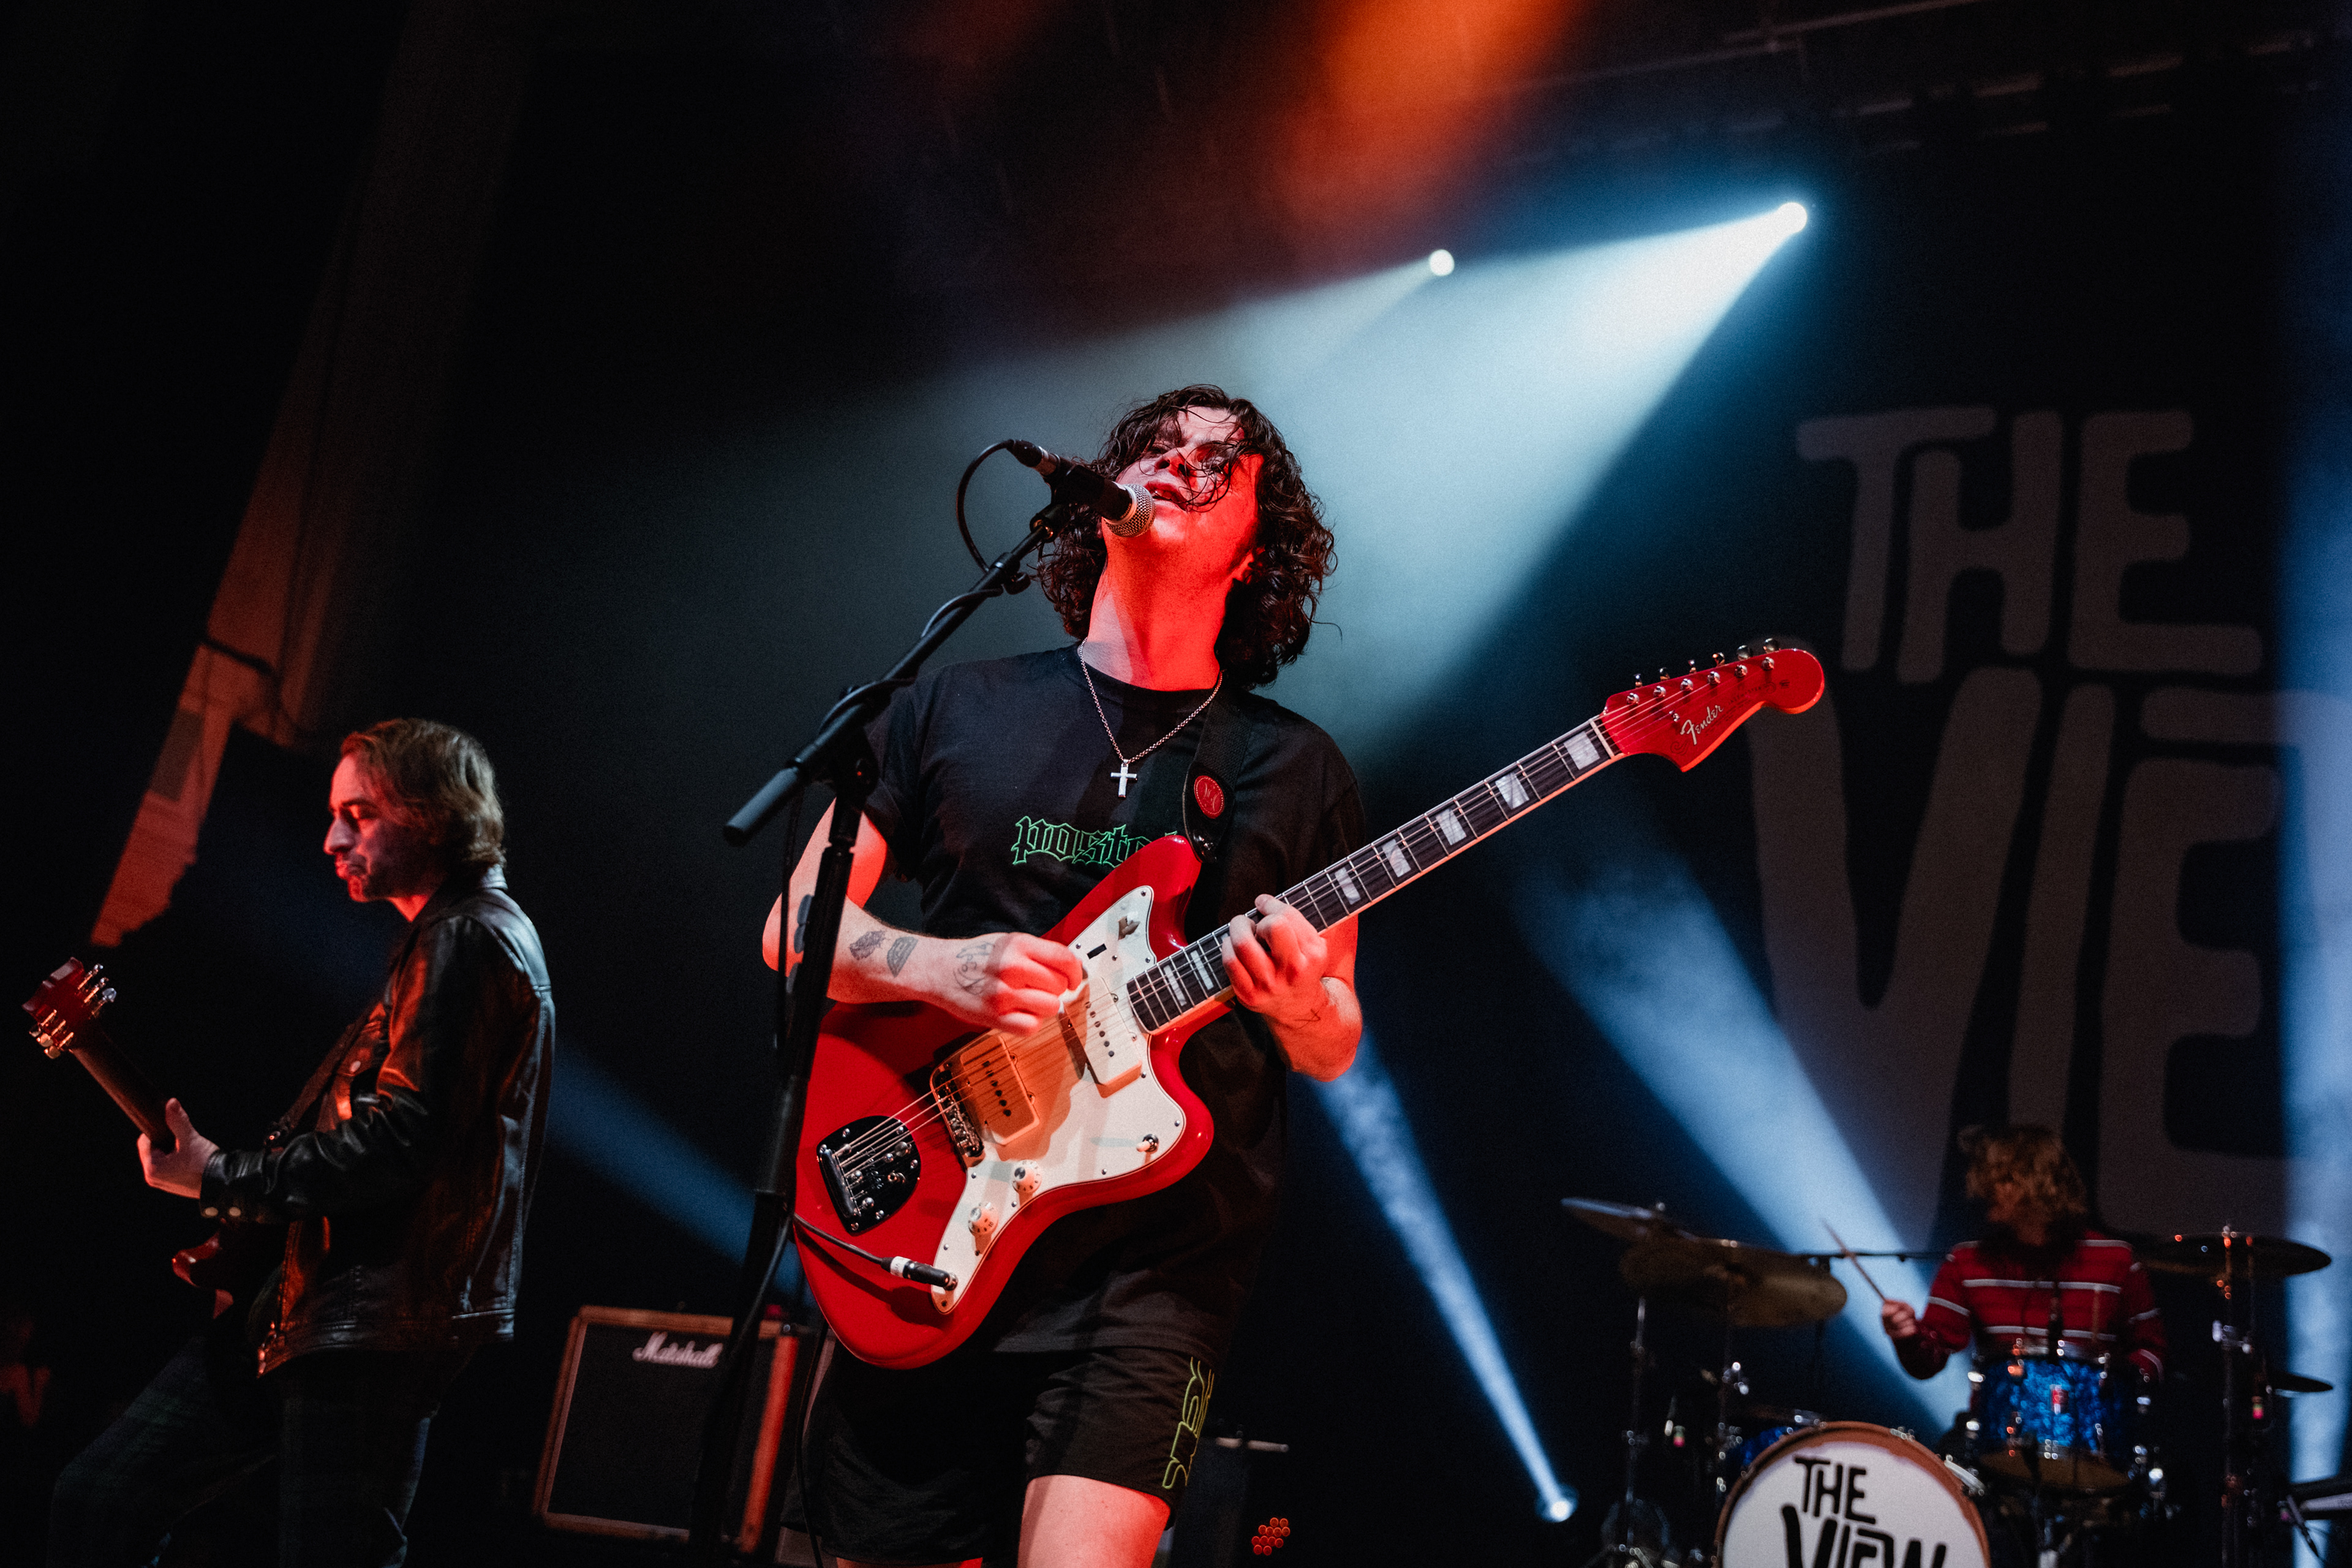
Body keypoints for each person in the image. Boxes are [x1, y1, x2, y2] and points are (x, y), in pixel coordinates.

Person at [763, 386, 1363, 1568]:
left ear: (1257, 553)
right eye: (1158, 447)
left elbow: (1335, 1037)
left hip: (1153, 1273)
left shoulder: (1294, 769)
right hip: (929, 1221)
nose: (1182, 464)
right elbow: (792, 929)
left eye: (1222, 462)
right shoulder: (950, 704)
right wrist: (945, 966)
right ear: (1099, 503)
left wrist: (1301, 1006)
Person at [49, 718, 555, 1568]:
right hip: (317, 1305)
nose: (331, 838)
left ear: (432, 813)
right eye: (334, 814)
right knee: (100, 1498)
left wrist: (222, 1177)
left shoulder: (467, 936)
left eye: (359, 815)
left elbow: (397, 1142)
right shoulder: (446, 937)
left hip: (371, 1322)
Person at [1880, 1124, 2166, 1388]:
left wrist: (2117, 1386)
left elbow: (2153, 1352)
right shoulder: (1967, 1262)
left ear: (2040, 1184)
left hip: (2093, 1433)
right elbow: (1927, 1364)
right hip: (2000, 1434)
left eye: (2003, 1179)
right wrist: (1907, 1336)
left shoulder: (2116, 1259)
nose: (1984, 1188)